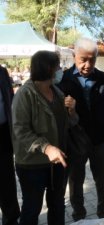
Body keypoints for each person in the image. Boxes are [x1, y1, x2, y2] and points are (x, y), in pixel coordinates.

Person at [11, 50, 77, 225]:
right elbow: (20, 131)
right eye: (57, 66)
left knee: (57, 205)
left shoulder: (57, 92)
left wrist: (72, 112)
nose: (60, 70)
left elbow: (69, 125)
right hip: (32, 165)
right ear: (48, 69)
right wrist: (47, 148)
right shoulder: (25, 94)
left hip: (57, 163)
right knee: (32, 208)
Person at [58, 37, 104, 221]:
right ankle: (79, 217)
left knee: (101, 180)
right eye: (83, 59)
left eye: (92, 59)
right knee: (76, 182)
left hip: (100, 141)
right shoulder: (64, 80)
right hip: (75, 142)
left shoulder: (103, 78)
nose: (87, 64)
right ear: (74, 56)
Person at [0, 65, 20, 225]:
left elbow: (10, 99)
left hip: (3, 134)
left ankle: (11, 218)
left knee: (6, 180)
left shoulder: (2, 71)